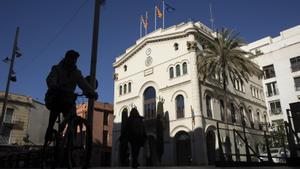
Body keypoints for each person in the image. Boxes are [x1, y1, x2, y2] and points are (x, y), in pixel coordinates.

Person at [44, 49, 98, 144]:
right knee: (54, 113)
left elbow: (83, 83)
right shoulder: (57, 69)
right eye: (71, 58)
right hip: (54, 97)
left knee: (72, 117)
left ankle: (68, 140)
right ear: (66, 58)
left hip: (68, 99)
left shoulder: (76, 73)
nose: (73, 61)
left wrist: (92, 93)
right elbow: (50, 79)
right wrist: (54, 86)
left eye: (74, 59)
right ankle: (49, 132)